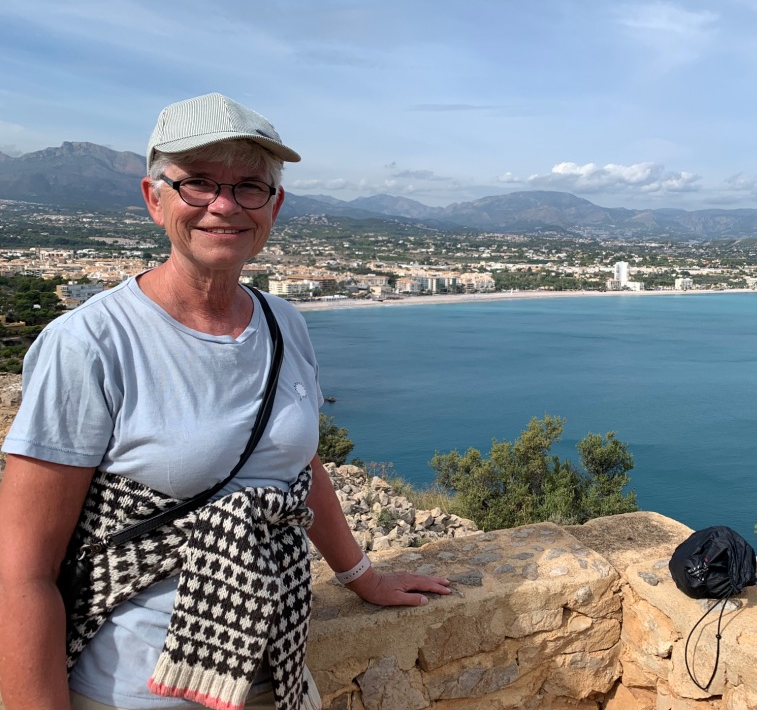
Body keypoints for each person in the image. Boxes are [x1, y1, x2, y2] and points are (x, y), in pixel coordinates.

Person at [0, 93, 451, 710]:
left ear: (275, 205)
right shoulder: (88, 343)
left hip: (282, 671)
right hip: (134, 690)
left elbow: (295, 468)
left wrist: (361, 577)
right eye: (198, 184)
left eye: (249, 186)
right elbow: (21, 571)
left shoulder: (283, 322)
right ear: (153, 197)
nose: (223, 205)